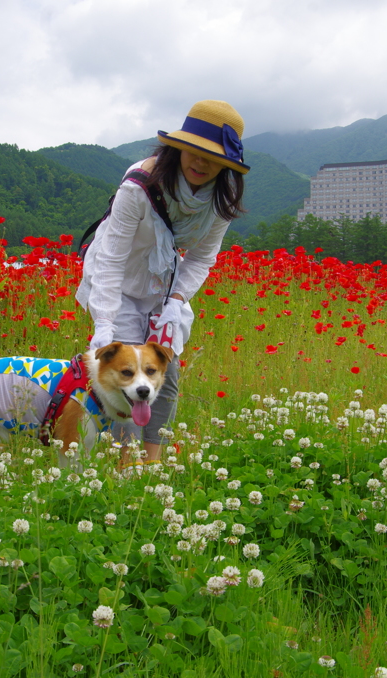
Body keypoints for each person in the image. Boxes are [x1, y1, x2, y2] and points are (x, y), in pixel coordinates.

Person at [76, 99, 250, 462]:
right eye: (193, 152)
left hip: (162, 287)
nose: (200, 163)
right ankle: (125, 462)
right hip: (118, 283)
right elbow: (111, 257)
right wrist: (104, 321)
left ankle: (151, 461)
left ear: (226, 164)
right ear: (178, 149)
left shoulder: (220, 201)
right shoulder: (139, 186)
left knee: (164, 372)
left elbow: (202, 257)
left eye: (212, 157)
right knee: (125, 374)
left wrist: (176, 302)